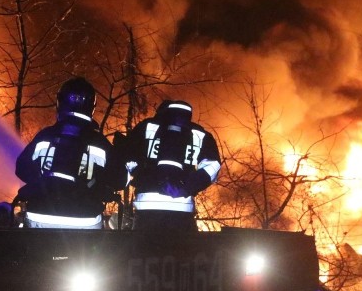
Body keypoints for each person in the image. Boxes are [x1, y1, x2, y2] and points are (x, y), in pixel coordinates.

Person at [15, 77, 116, 229]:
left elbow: (21, 168)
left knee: (34, 251)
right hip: (84, 222)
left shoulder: (46, 135)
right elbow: (119, 178)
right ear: (92, 107)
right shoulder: (99, 142)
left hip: (39, 217)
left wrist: (43, 183)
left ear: (59, 103)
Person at [116, 99, 221, 232]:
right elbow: (213, 166)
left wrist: (140, 173)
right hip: (182, 212)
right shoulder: (199, 134)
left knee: (144, 252)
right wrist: (188, 186)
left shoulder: (146, 127)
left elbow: (128, 157)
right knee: (181, 252)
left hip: (147, 211)